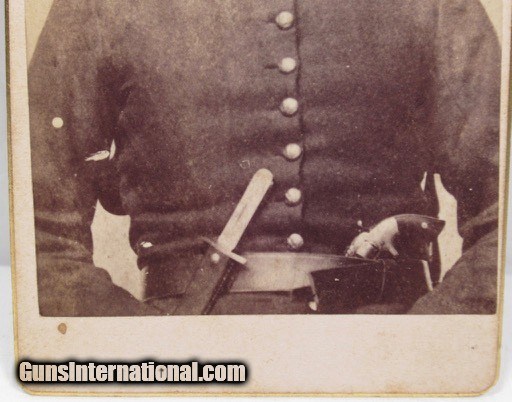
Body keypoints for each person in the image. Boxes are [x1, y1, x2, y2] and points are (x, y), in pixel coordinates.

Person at [28, 0, 500, 316]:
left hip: (387, 354)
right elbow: (32, 231)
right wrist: (144, 356)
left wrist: (430, 341)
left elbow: (503, 215)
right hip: (192, 360)